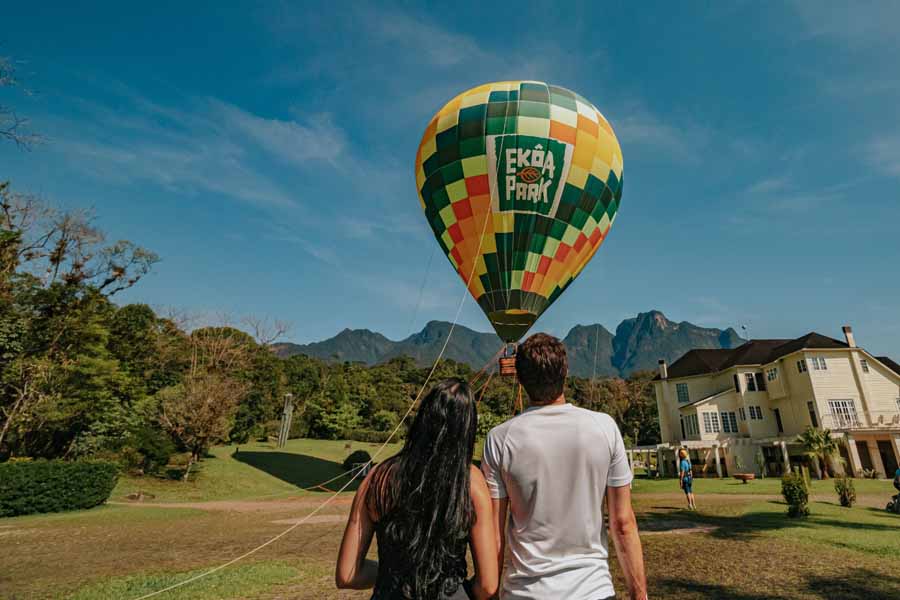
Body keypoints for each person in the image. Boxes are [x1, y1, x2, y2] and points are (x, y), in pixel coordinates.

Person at [481, 333, 648, 600]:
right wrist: (639, 596)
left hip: (525, 593)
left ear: (519, 378)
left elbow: (495, 536)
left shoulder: (499, 439)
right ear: (566, 372)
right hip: (593, 589)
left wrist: (489, 595)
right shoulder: (604, 427)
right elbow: (623, 523)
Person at [336, 378, 498, 600]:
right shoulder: (470, 482)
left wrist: (392, 575)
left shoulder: (377, 479)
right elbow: (488, 585)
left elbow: (347, 575)